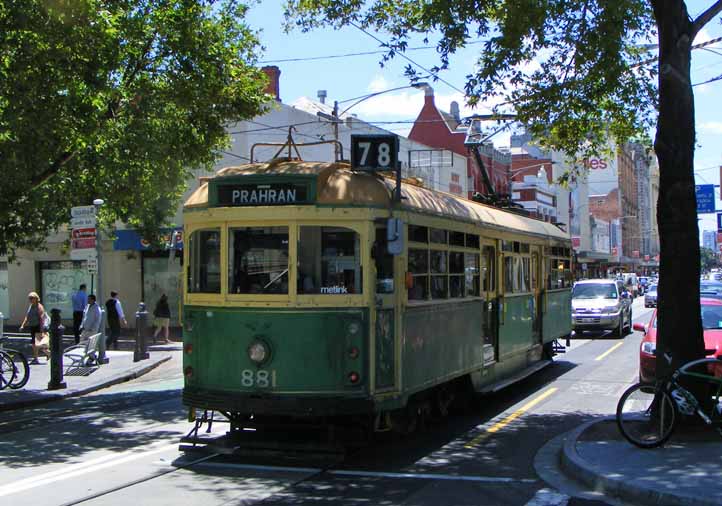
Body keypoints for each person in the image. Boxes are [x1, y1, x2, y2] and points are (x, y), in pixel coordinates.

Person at [19, 292, 49, 364]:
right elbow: (27, 317)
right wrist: (23, 325)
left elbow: (41, 319)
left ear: (36, 298)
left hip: (38, 326)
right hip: (32, 326)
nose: (30, 299)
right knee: (34, 344)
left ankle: (38, 357)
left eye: (32, 298)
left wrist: (41, 330)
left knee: (36, 344)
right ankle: (45, 354)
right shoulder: (31, 306)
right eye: (29, 298)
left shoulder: (39, 307)